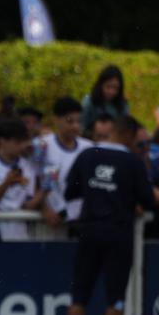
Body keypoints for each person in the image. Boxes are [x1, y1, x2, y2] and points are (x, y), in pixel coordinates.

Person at [60, 115, 159, 315]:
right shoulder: (132, 162)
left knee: (79, 296)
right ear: (130, 136)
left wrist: (95, 193)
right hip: (119, 235)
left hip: (89, 232)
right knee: (116, 298)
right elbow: (147, 198)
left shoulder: (87, 155)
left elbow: (69, 191)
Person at [0, 118, 44, 240]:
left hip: (20, 234)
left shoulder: (27, 167)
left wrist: (45, 189)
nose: (21, 146)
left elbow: (28, 205)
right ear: (2, 141)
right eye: (17, 142)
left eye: (23, 141)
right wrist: (7, 183)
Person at [36, 96, 94, 226]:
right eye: (70, 121)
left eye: (79, 121)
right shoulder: (43, 145)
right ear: (56, 120)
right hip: (49, 220)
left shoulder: (89, 148)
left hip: (79, 220)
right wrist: (45, 209)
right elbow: (34, 180)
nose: (75, 126)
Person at [82, 65, 129, 135]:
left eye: (115, 88)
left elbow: (125, 128)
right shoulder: (89, 102)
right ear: (100, 85)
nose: (111, 92)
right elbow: (82, 128)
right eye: (108, 87)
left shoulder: (122, 104)